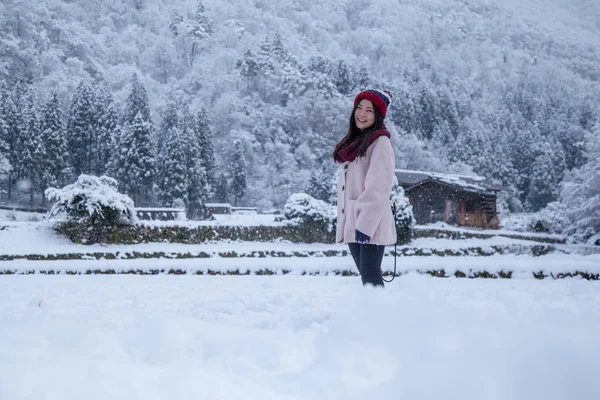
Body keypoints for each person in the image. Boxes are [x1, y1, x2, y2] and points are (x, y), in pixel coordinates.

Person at [332, 89, 396, 287]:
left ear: (378, 116)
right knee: (366, 276)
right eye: (359, 108)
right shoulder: (356, 142)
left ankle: (380, 316)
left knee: (371, 275)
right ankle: (375, 314)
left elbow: (378, 188)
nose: (362, 113)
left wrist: (365, 224)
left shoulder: (380, 143)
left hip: (370, 221)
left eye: (369, 110)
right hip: (353, 221)